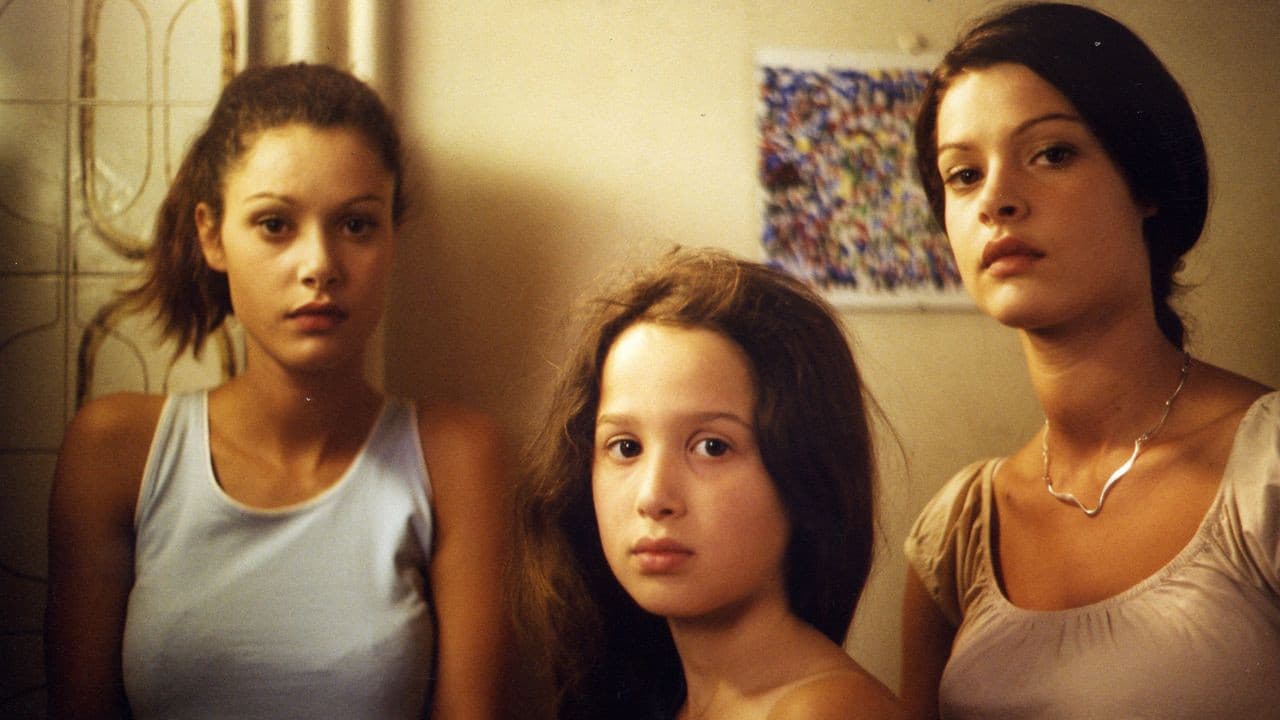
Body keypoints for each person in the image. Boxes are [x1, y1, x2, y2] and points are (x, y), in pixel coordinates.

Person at [45, 63, 510, 719]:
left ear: (393, 239)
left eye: (356, 225)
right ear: (212, 235)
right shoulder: (116, 450)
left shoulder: (457, 458)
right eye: (274, 224)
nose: (319, 265)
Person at [899, 3, 1279, 719]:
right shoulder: (957, 530)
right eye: (964, 174)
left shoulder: (1267, 470)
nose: (996, 200)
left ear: (1147, 182)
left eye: (1051, 154)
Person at [513, 248, 905, 720]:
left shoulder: (825, 711)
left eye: (712, 447)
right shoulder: (668, 696)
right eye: (626, 447)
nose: (653, 497)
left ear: (805, 472)